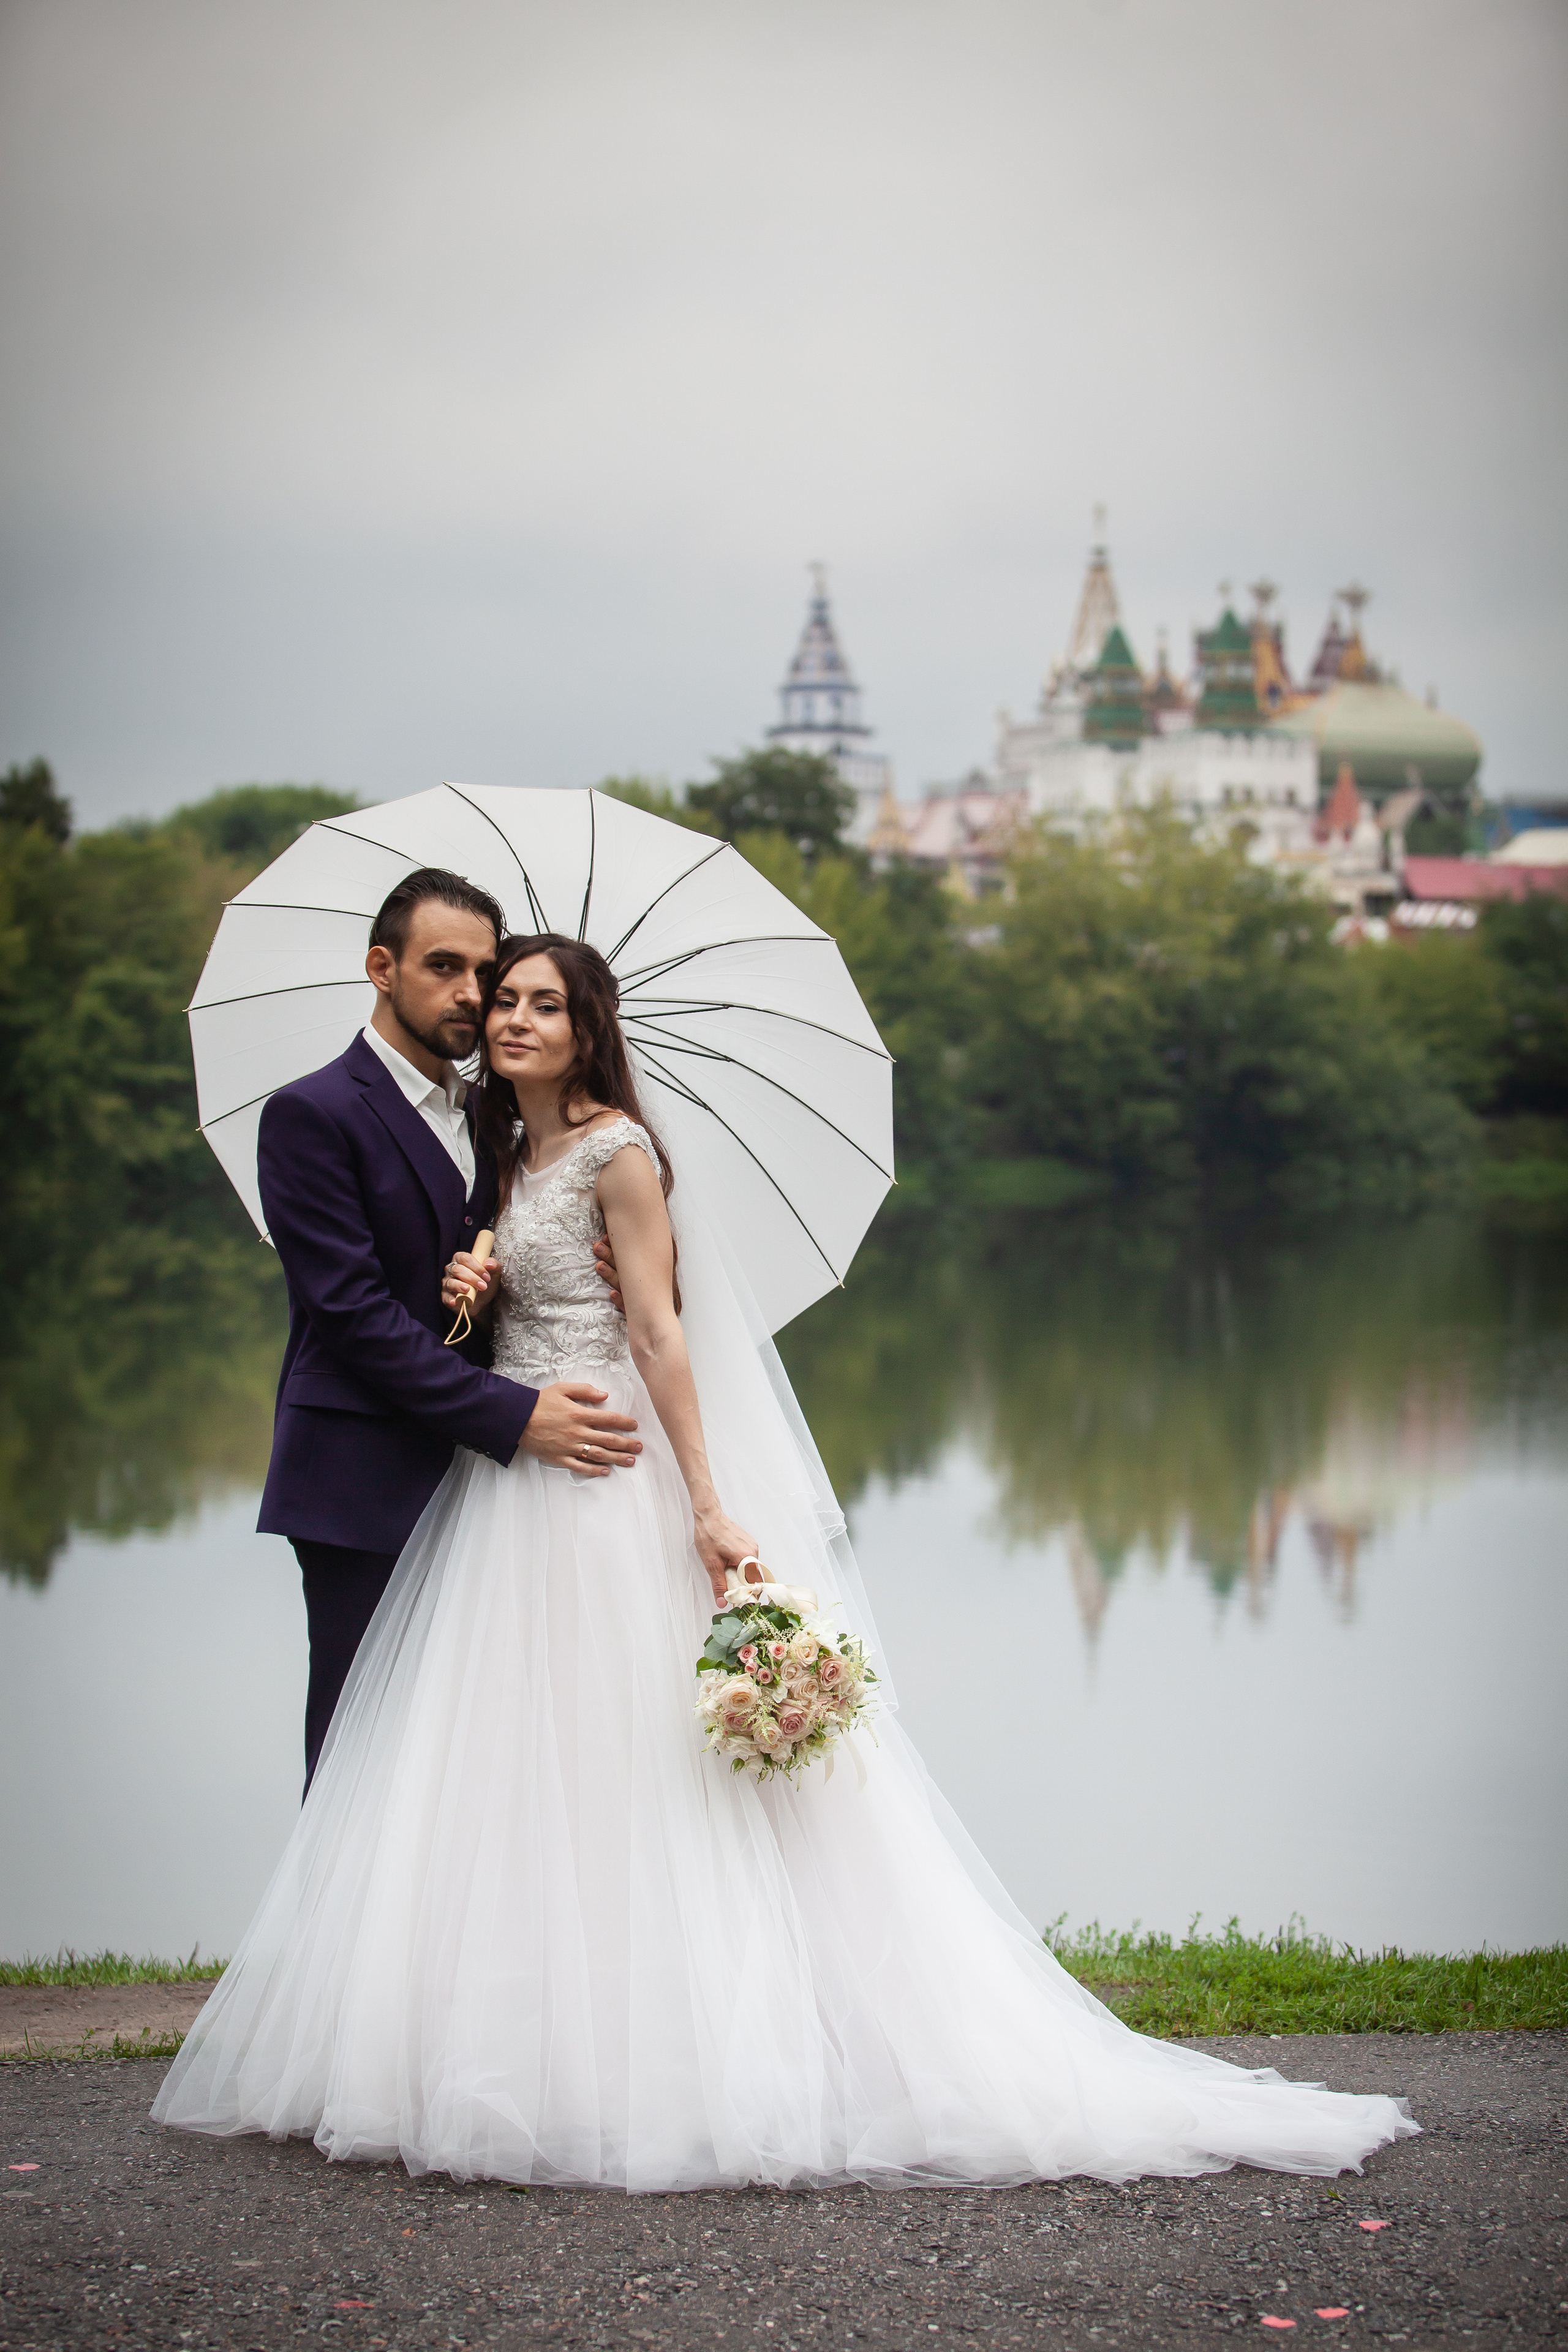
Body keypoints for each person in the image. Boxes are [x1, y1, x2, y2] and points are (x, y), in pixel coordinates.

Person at [156, 933, 1417, 2190]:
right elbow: (448, 1317)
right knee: (512, 1764)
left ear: (591, 1029)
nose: (510, 1019)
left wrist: (707, 1504)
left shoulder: (618, 1151)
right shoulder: (505, 1152)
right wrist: (470, 1283)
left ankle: (665, 2052)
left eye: (545, 1004)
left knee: (628, 1759)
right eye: (502, 1001)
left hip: (599, 1475)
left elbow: (656, 1331)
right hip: (501, 1492)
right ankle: (509, 2035)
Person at [254, 869, 639, 1789]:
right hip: (363, 1469)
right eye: (444, 967)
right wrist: (516, 1417)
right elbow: (352, 1318)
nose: (472, 994)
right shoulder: (312, 1113)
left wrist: (591, 1277)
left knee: (473, 1745)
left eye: (486, 971)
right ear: (382, 968)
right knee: (363, 1727)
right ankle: (334, 1936)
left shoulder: (490, 1115)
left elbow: (488, 1277)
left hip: (481, 1483)